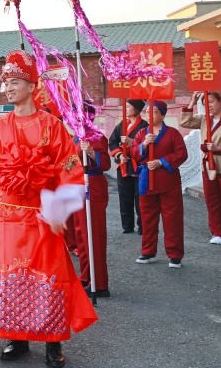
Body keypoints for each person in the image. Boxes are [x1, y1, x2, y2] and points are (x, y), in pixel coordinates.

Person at [0, 50, 97, 368]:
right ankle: (17, 337)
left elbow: (68, 166)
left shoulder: (52, 126)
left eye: (14, 82)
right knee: (11, 278)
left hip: (41, 216)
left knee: (48, 276)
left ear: (31, 85)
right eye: (6, 83)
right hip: (6, 217)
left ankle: (54, 341)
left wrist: (60, 205)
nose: (9, 88)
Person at [180, 91, 221, 246]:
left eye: (211, 102)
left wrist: (219, 148)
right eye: (205, 104)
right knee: (212, 201)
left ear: (220, 102)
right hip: (209, 166)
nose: (208, 106)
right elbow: (185, 122)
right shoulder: (204, 120)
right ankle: (216, 232)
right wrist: (192, 102)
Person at [131, 101, 189, 268]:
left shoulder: (172, 133)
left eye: (154, 112)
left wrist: (162, 162)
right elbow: (134, 152)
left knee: (172, 219)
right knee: (147, 218)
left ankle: (175, 254)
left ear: (163, 115)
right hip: (146, 181)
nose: (150, 115)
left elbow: (181, 153)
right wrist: (144, 145)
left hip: (168, 182)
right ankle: (148, 251)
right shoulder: (142, 133)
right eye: (147, 111)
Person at [74, 103, 112, 298]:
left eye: (80, 115)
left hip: (93, 189)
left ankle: (99, 282)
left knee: (93, 237)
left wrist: (90, 153)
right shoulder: (75, 136)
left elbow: (105, 163)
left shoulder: (96, 136)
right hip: (77, 189)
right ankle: (86, 275)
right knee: (81, 237)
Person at [108, 99, 149, 234]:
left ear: (136, 109)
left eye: (129, 106)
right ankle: (127, 226)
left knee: (140, 197)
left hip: (138, 166)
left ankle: (142, 226)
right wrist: (119, 155)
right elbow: (113, 142)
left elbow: (147, 145)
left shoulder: (144, 125)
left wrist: (131, 142)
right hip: (124, 165)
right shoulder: (122, 125)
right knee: (124, 196)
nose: (126, 108)